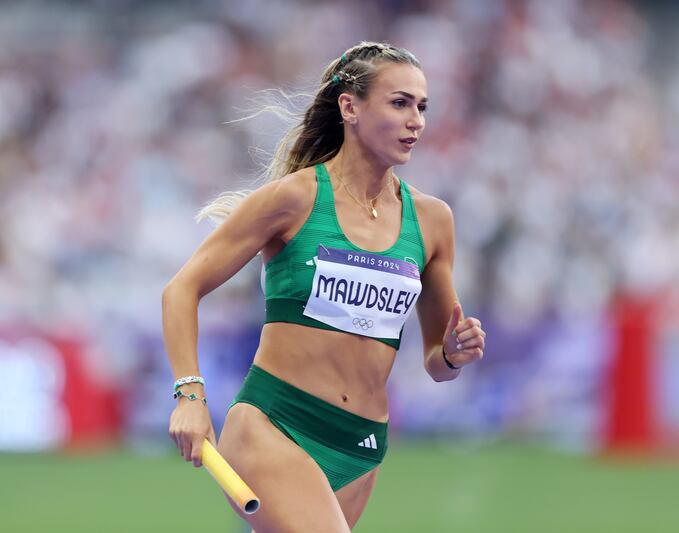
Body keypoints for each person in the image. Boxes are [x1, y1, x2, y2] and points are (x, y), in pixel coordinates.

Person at [163, 41, 486, 532]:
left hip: (360, 444)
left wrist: (455, 354)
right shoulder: (295, 198)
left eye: (422, 107)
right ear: (350, 107)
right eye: (400, 103)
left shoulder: (432, 220)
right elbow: (181, 290)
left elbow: (437, 363)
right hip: (275, 424)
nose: (416, 121)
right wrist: (190, 395)